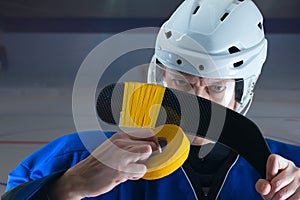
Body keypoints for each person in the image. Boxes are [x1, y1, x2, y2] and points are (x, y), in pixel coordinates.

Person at [2, 0, 300, 199]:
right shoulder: (71, 160)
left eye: (215, 88)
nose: (195, 100)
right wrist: (67, 187)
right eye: (181, 81)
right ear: (159, 78)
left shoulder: (292, 172)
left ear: (242, 91)